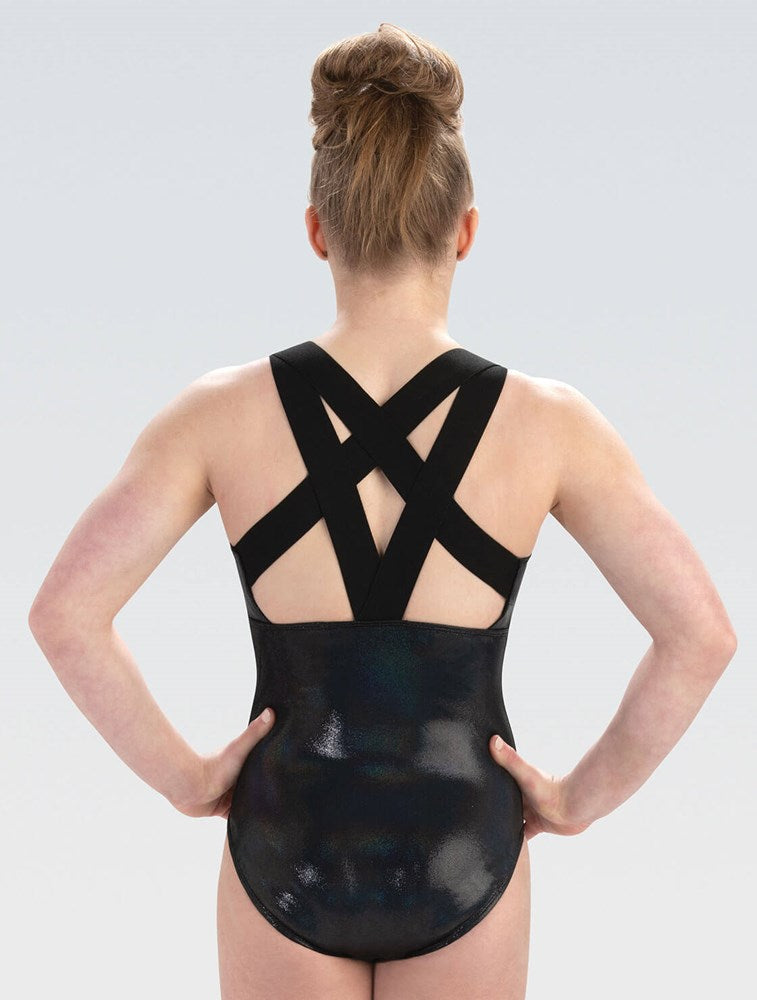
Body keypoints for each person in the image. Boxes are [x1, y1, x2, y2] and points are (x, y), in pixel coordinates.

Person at [28, 22, 737, 1000]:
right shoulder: (548, 426)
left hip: (285, 836)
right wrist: (579, 796)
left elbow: (65, 612)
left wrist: (185, 777)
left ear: (317, 230)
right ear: (466, 231)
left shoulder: (217, 417)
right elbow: (700, 634)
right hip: (465, 846)